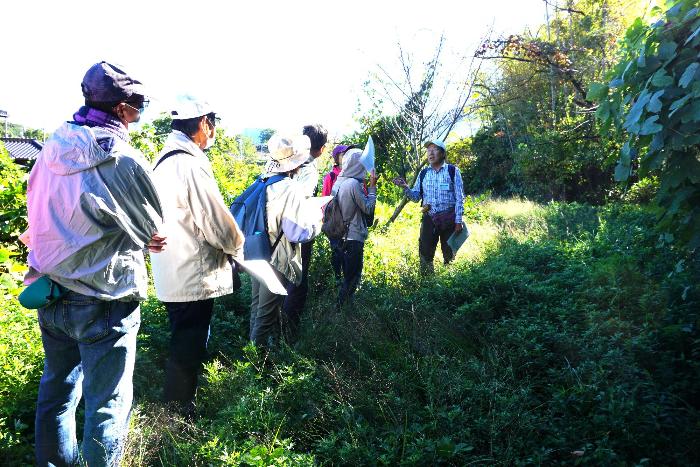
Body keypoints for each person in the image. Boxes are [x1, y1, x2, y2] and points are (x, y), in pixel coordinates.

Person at [23, 61, 166, 467]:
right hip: (104, 295)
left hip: (50, 291)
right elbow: (154, 230)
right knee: (106, 405)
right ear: (122, 109)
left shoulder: (53, 143)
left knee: (56, 394)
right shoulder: (120, 157)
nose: (139, 116)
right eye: (138, 108)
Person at [149, 96, 244, 416]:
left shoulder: (162, 159)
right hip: (192, 270)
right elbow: (216, 221)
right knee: (189, 346)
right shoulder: (189, 163)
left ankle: (177, 406)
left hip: (171, 268)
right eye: (212, 123)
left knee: (182, 339)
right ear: (203, 123)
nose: (213, 131)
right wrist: (236, 246)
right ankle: (178, 413)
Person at [250, 133, 323, 348]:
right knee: (266, 315)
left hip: (257, 250)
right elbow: (296, 233)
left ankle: (252, 357)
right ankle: (256, 370)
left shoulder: (263, 180)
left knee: (257, 308)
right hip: (275, 257)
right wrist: (318, 221)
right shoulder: (290, 188)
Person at [281, 124, 327, 343]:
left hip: (275, 230)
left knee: (280, 279)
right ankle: (288, 334)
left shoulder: (285, 161)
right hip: (297, 233)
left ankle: (272, 332)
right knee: (297, 281)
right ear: (321, 149)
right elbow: (301, 204)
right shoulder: (309, 169)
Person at [392, 140, 465, 275]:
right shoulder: (424, 173)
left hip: (449, 218)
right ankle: (427, 283)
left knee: (449, 253)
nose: (430, 153)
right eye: (428, 150)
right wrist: (405, 187)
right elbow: (415, 197)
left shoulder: (453, 171)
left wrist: (458, 221)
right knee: (425, 252)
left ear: (442, 153)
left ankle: (450, 282)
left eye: (434, 149)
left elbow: (460, 198)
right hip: (429, 218)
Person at [331, 148, 378, 309]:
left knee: (347, 275)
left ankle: (344, 309)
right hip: (353, 236)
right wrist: (372, 187)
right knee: (352, 277)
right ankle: (341, 311)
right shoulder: (353, 184)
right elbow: (368, 208)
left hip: (340, 235)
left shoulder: (339, 181)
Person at [323, 144, 352, 283]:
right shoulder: (331, 176)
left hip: (351, 221)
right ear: (336, 158)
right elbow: (325, 200)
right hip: (335, 221)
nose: (346, 157)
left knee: (350, 253)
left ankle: (348, 282)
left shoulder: (355, 174)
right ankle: (338, 280)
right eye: (343, 154)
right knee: (337, 251)